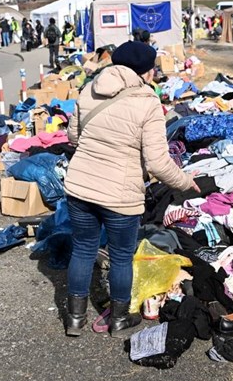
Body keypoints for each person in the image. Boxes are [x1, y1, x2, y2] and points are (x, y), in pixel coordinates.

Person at [62, 41, 200, 338]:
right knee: (121, 256)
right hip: (120, 194)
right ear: (147, 71)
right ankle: (119, 320)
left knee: (83, 249)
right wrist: (186, 183)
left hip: (79, 187)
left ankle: (74, 319)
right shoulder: (147, 101)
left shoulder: (90, 88)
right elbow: (158, 163)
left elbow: (73, 136)